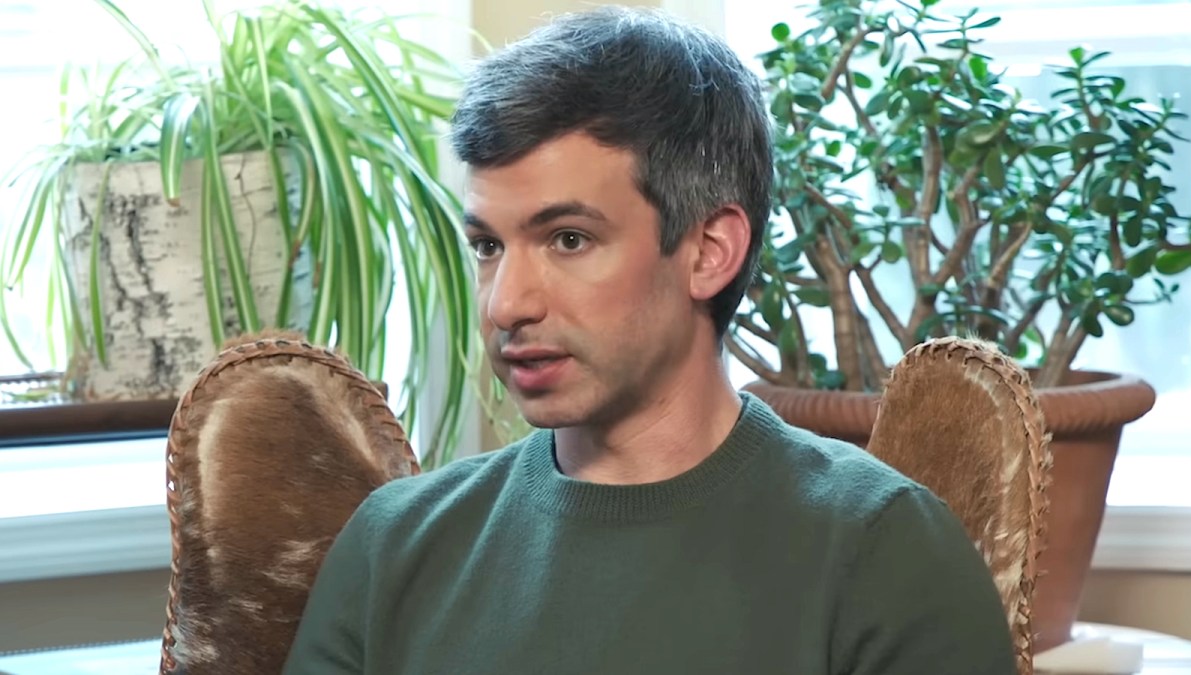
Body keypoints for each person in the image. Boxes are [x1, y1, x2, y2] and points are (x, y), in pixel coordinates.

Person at [283, 6, 1018, 674]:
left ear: (708, 250)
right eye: (487, 246)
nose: (507, 302)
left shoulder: (883, 552)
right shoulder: (392, 547)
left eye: (567, 239)